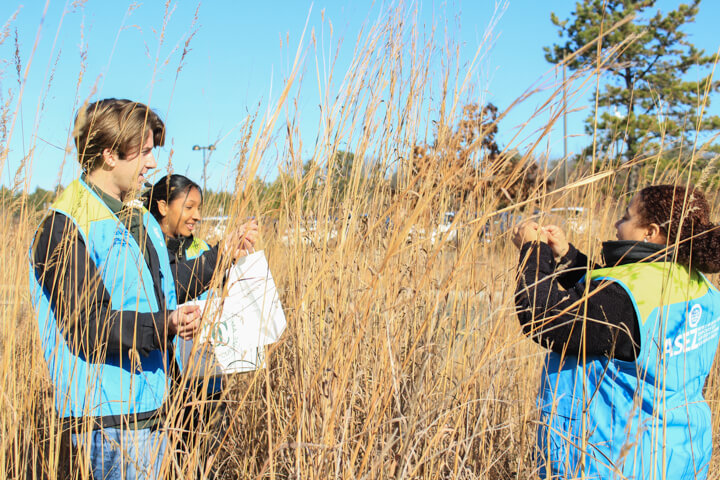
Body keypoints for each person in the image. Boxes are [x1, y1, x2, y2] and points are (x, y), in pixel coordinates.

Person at [29, 98, 203, 480]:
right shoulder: (64, 225)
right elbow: (88, 323)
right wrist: (167, 324)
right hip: (108, 418)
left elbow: (163, 287)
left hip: (151, 406)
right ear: (109, 154)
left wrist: (224, 258)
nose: (153, 163)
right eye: (143, 152)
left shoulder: (134, 216)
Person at [513, 184, 720, 479]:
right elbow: (610, 308)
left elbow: (542, 317)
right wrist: (568, 257)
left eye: (625, 217)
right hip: (677, 454)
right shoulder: (698, 286)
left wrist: (532, 251)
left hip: (615, 461)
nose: (616, 224)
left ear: (650, 232)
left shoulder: (625, 299)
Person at [142, 173, 258, 474]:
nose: (197, 215)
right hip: (165, 382)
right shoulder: (145, 249)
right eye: (190, 207)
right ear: (163, 206)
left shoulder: (202, 250)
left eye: (199, 208)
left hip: (206, 378)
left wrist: (239, 257)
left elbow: (228, 294)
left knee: (203, 459)